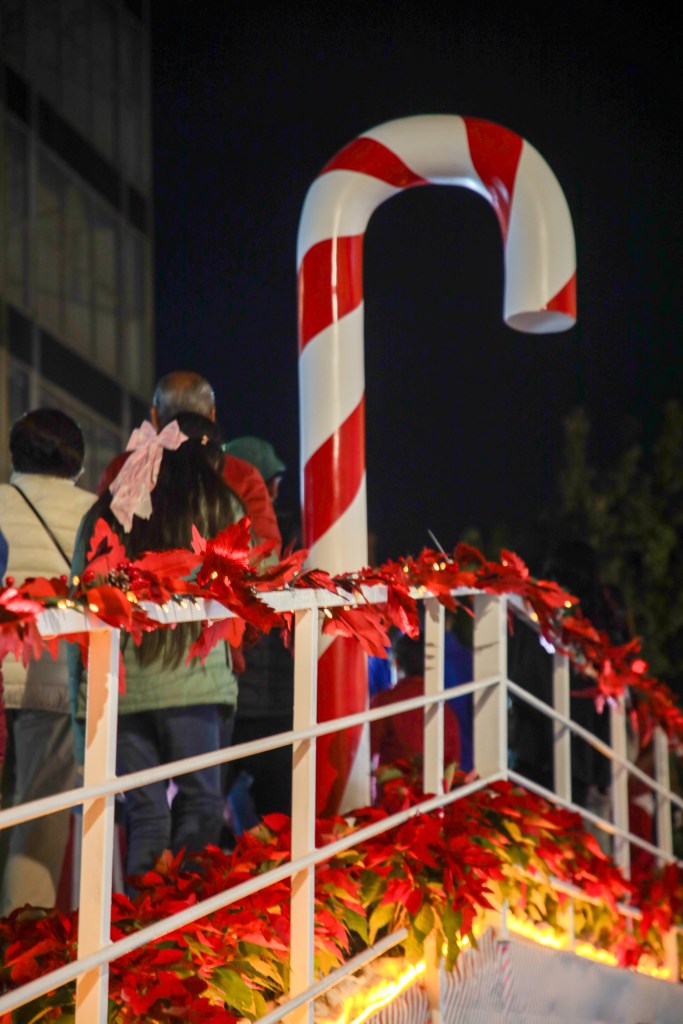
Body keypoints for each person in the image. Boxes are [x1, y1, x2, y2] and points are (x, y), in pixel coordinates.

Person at [70, 413, 242, 883]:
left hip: (121, 689)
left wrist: (79, 707)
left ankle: (140, 941)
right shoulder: (219, 505)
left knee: (145, 817)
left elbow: (78, 606)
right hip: (196, 683)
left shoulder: (109, 505)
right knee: (202, 803)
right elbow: (241, 586)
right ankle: (183, 929)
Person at [0, 409, 96, 912]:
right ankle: (22, 948)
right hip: (53, 675)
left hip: (2, 670)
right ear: (75, 462)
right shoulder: (94, 512)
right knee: (39, 811)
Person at [99, 371, 282, 557]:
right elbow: (266, 554)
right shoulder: (243, 475)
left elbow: (99, 540)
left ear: (154, 416)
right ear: (212, 415)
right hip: (220, 584)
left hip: (136, 584)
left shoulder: (125, 467)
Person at [221, 437, 296, 825]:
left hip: (226, 701)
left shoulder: (207, 530)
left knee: (198, 812)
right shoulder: (286, 539)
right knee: (281, 825)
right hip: (278, 707)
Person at [370, 631, 461, 800]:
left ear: (395, 664)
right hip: (435, 805)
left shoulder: (385, 702)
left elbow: (365, 751)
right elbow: (454, 767)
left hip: (392, 807)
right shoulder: (445, 709)